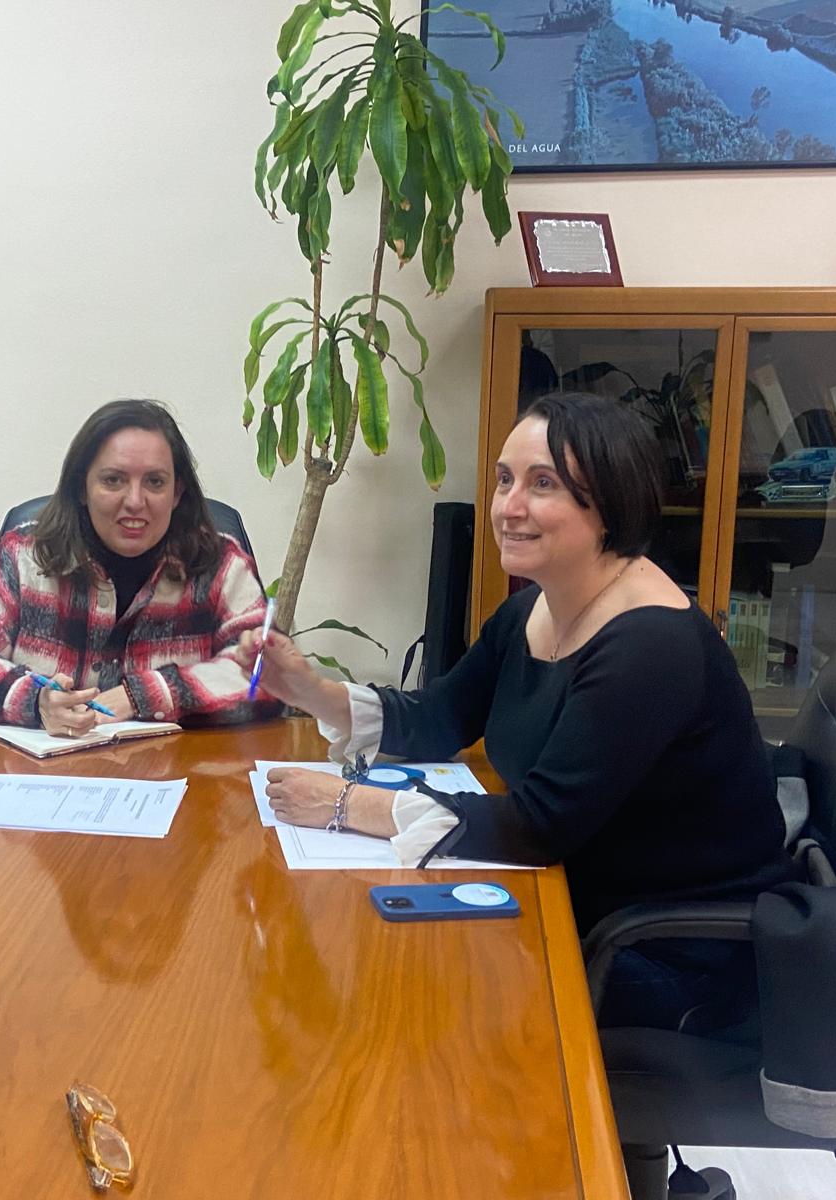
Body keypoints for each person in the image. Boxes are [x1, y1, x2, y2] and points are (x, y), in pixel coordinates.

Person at [244, 392, 795, 1030]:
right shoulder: (536, 604)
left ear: (610, 504)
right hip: (572, 899)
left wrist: (344, 805)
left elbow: (538, 827)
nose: (509, 507)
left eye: (543, 484)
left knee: (405, 998)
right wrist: (310, 688)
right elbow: (442, 717)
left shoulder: (650, 646)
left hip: (665, 952)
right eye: (505, 479)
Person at [0, 399, 276, 734]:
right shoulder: (26, 557)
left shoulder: (221, 565)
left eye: (155, 482)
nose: (135, 501)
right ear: (82, 488)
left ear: (176, 493)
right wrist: (36, 701)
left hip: (177, 780)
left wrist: (142, 695)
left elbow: (268, 677)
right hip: (45, 778)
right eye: (113, 480)